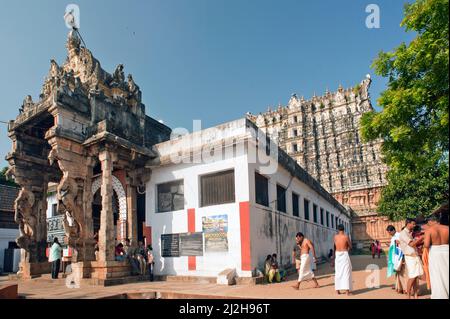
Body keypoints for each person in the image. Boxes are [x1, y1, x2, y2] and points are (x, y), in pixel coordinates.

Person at [424, 206, 449, 299]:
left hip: (435, 252)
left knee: (437, 274)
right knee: (447, 272)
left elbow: (426, 245)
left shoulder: (429, 230)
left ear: (431, 221)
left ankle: (440, 295)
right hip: (447, 250)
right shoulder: (447, 228)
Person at [398, 218, 424, 299]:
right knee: (412, 277)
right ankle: (408, 295)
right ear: (408, 223)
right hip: (410, 258)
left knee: (416, 278)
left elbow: (415, 244)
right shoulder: (403, 233)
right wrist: (422, 237)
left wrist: (421, 240)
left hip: (415, 256)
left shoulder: (410, 233)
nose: (414, 225)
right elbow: (412, 244)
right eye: (413, 224)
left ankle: (415, 295)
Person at [331, 224, 353, 295]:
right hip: (344, 254)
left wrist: (333, 257)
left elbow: (334, 247)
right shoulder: (346, 237)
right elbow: (351, 246)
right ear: (344, 229)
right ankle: (347, 291)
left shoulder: (335, 237)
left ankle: (337, 290)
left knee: (338, 272)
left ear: (338, 229)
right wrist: (347, 249)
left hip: (337, 254)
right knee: (346, 272)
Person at [386, 225, 407, 294]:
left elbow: (402, 245)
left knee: (402, 273)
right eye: (388, 232)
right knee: (397, 272)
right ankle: (399, 287)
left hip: (400, 257)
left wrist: (402, 258)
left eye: (390, 232)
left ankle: (405, 288)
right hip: (395, 257)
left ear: (393, 230)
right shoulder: (393, 237)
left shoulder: (399, 235)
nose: (389, 234)